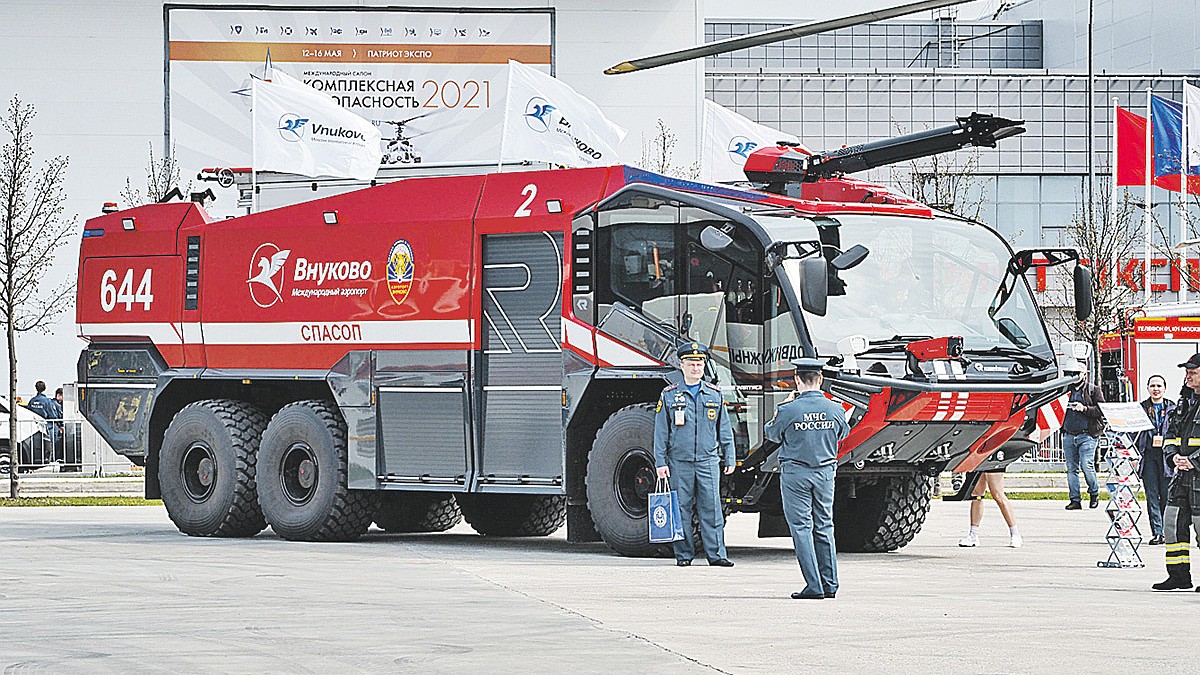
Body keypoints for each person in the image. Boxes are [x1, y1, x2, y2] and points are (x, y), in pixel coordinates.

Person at [764, 358, 849, 599]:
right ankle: (830, 583)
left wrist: (785, 405)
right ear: (820, 380)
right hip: (824, 473)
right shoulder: (836, 409)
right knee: (824, 525)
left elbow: (772, 433)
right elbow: (843, 432)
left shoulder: (789, 409)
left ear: (797, 380)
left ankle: (813, 585)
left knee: (802, 527)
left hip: (796, 474)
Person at [654, 341, 736, 568]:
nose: (695, 368)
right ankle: (683, 554)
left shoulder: (714, 394)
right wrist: (660, 462)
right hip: (679, 462)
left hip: (708, 461)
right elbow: (661, 431)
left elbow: (724, 429)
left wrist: (729, 457)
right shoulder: (669, 395)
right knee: (681, 508)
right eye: (691, 364)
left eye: (699, 364)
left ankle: (717, 554)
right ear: (681, 366)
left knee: (711, 508)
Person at [1153, 353, 1200, 591]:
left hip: (1199, 476)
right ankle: (1179, 576)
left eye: (1192, 372)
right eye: (1187, 372)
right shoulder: (1184, 402)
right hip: (1181, 476)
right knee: (1172, 523)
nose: (1187, 376)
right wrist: (1173, 456)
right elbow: (1170, 434)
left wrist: (1195, 461)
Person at [1059, 359, 1104, 510]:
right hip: (1069, 434)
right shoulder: (1064, 390)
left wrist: (1084, 409)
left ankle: (1094, 493)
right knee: (1071, 469)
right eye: (1070, 373)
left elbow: (1101, 410)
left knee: (1087, 465)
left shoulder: (1093, 390)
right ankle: (1075, 499)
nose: (1073, 376)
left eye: (1076, 373)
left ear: (1084, 374)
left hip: (1087, 435)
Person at [1136, 374, 1175, 545]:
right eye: (1152, 386)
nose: (1156, 389)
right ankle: (1157, 532)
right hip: (1149, 455)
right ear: (1148, 389)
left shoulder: (1172, 408)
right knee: (1152, 495)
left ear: (1164, 388)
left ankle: (1167, 532)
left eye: (1159, 386)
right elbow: (1135, 433)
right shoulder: (1142, 408)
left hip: (1167, 456)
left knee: (1167, 496)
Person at [957, 470, 1022, 548]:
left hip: (991, 459)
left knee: (997, 493)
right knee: (977, 495)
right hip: (977, 460)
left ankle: (1015, 534)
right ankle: (973, 535)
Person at [25, 380, 59, 463]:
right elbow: (52, 415)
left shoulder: (32, 401)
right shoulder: (47, 401)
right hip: (47, 426)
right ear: (45, 388)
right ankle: (51, 460)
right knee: (50, 443)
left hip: (34, 426)